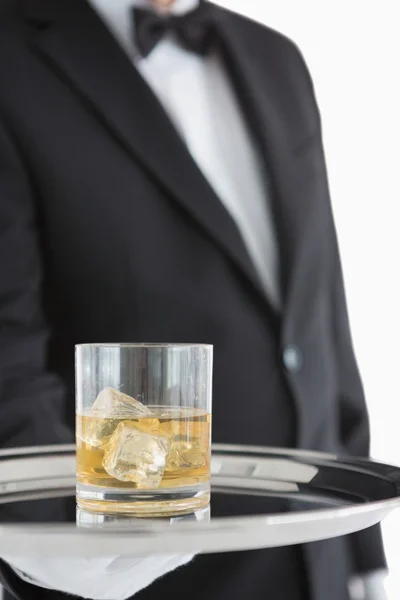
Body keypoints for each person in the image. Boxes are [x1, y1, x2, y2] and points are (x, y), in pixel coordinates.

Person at [0, 0, 389, 598]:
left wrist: (364, 553)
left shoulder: (276, 56)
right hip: (136, 575)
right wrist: (51, 547)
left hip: (319, 564)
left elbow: (320, 310)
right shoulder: (11, 55)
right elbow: (8, 354)